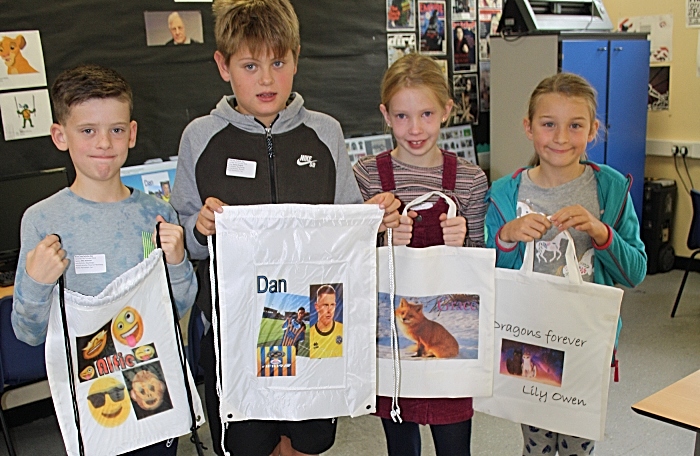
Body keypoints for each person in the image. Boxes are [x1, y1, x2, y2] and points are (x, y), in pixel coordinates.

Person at [169, 1, 400, 455]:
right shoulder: (200, 137)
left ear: (296, 58)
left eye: (278, 62)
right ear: (223, 66)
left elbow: (344, 228)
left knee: (309, 441)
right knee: (248, 445)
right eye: (250, 65)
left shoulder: (325, 132)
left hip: (313, 326)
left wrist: (372, 222)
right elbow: (186, 242)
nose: (267, 79)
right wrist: (199, 229)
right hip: (234, 330)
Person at [11, 64, 198, 455]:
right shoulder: (42, 220)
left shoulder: (155, 214)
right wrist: (36, 280)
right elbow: (28, 333)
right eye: (87, 130)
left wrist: (178, 262)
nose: (104, 143)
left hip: (151, 390)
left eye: (116, 129)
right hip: (94, 400)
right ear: (60, 136)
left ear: (131, 133)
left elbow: (176, 307)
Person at [484, 72, 647, 456]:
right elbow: (487, 276)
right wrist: (507, 236)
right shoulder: (506, 193)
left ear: (593, 130)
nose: (560, 138)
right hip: (528, 337)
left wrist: (601, 233)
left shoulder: (608, 188)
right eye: (548, 124)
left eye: (575, 126)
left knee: (577, 444)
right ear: (528, 128)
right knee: (536, 442)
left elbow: (636, 271)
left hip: (586, 340)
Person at [353, 53, 488, 456]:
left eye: (427, 114)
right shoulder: (367, 174)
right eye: (401, 117)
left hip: (446, 340)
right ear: (385, 114)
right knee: (400, 438)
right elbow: (352, 262)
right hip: (393, 340)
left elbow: (481, 263)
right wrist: (379, 236)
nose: (415, 129)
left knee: (453, 441)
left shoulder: (469, 179)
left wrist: (461, 242)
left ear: (447, 110)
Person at [308, 285, 342, 359]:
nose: (329, 310)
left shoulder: (343, 330)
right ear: (317, 307)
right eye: (325, 305)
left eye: (332, 305)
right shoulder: (309, 336)